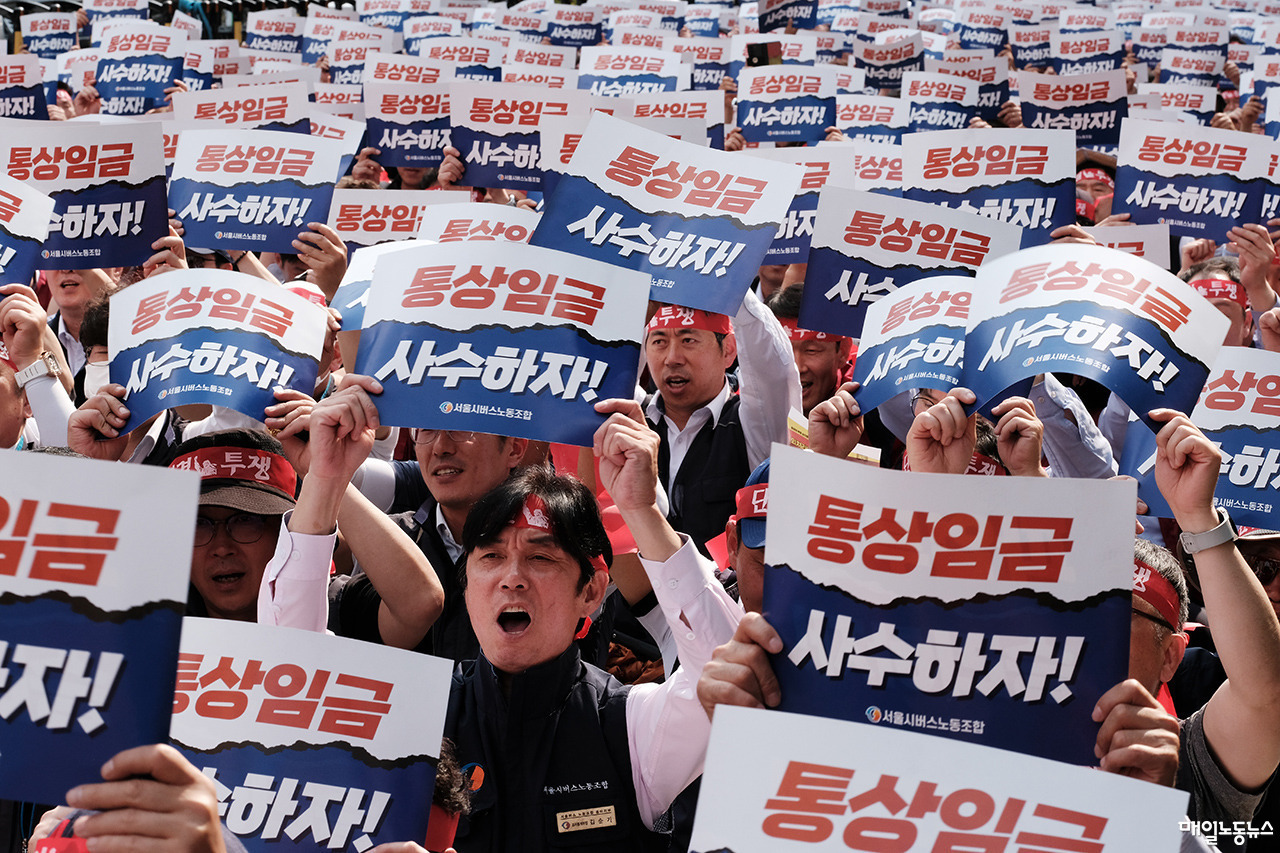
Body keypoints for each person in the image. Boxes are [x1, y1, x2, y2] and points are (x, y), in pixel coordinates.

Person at [253, 394, 743, 851]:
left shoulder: (629, 724)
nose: (512, 578)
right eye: (490, 557)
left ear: (591, 591)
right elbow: (290, 669)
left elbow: (728, 679)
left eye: (541, 557)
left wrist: (641, 510)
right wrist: (324, 480)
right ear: (467, 584)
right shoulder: (416, 708)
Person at [642, 297, 799, 552]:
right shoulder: (633, 417)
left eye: (688, 340)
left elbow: (772, 368)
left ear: (728, 350)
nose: (672, 358)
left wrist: (725, 282)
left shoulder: (752, 425)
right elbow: (608, 357)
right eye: (659, 342)